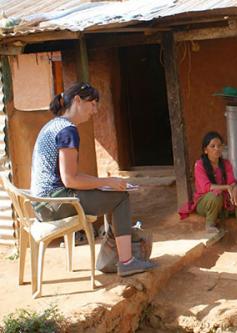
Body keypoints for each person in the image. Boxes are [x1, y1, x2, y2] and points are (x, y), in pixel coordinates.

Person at [30, 82, 156, 277]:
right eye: (93, 104)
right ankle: (126, 261)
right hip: (54, 203)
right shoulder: (67, 130)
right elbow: (70, 179)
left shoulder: (53, 124)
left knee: (111, 194)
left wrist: (105, 183)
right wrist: (107, 182)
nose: (95, 110)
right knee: (121, 198)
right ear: (78, 101)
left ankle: (115, 257)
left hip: (43, 204)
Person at [179, 131, 237, 249]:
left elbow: (232, 181)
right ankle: (210, 225)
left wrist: (235, 188)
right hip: (205, 204)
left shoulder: (226, 164)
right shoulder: (199, 165)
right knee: (215, 195)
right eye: (212, 146)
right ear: (205, 150)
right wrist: (227, 187)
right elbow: (207, 187)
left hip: (224, 203)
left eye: (219, 145)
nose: (217, 149)